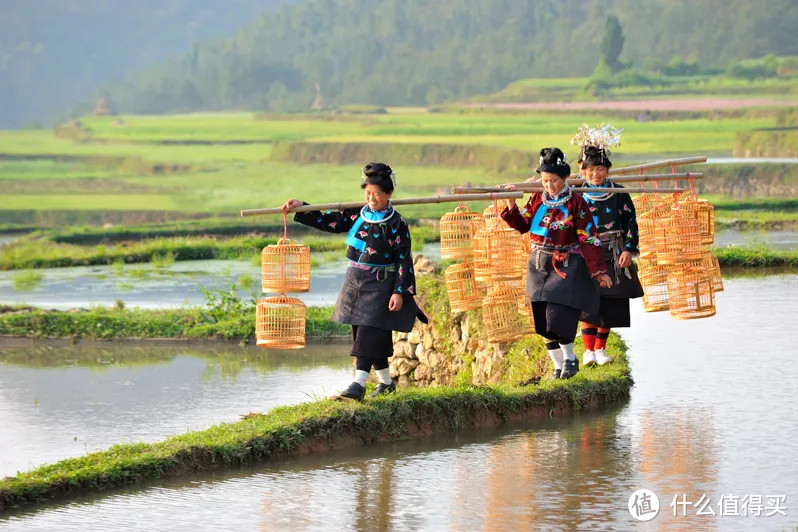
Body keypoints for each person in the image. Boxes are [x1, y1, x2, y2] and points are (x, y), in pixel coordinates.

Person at [281, 163, 427, 401]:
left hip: (382, 282)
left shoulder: (397, 223)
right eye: (368, 193)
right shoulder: (357, 213)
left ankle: (358, 385)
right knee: (362, 330)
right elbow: (330, 222)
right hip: (355, 280)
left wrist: (399, 292)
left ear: (389, 194)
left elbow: (403, 259)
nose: (372, 198)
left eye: (377, 194)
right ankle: (386, 383)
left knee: (369, 330)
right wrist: (303, 207)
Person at [501, 148, 612, 379]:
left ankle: (571, 359)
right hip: (539, 264)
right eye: (545, 181)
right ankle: (558, 366)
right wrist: (511, 203)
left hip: (566, 265)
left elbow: (588, 237)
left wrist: (599, 271)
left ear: (564, 179)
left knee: (558, 315)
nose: (549, 185)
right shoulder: (535, 198)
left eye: (553, 180)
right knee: (541, 320)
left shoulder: (576, 203)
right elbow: (523, 225)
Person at [573, 130, 644, 367]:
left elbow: (630, 222)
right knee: (588, 300)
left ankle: (600, 349)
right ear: (583, 171)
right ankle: (587, 352)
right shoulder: (576, 194)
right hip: (587, 253)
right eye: (591, 170)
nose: (596, 174)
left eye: (601, 169)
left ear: (608, 170)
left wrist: (629, 250)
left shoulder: (619, 192)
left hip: (614, 251)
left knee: (611, 300)